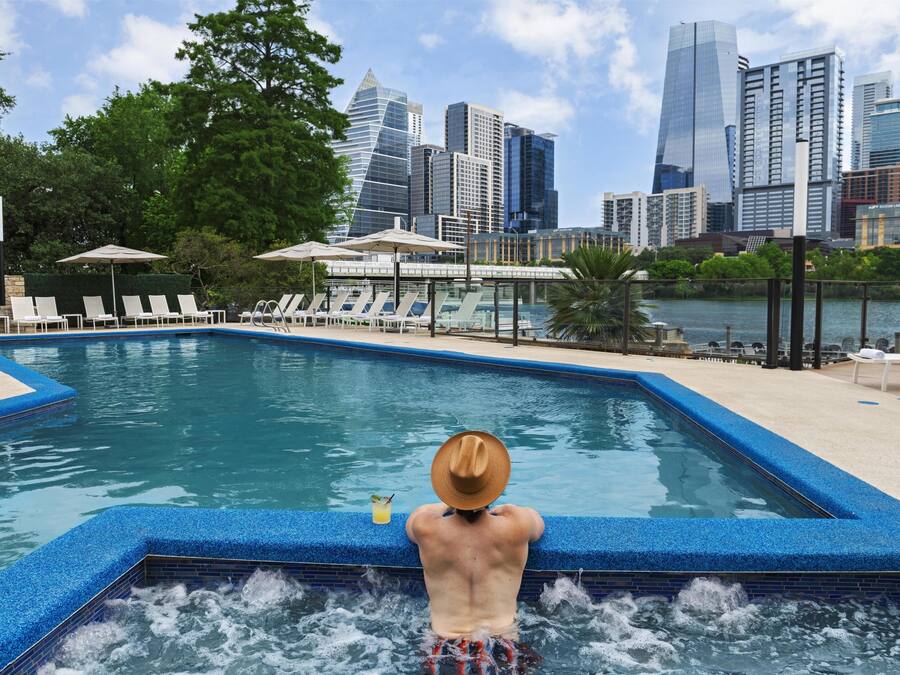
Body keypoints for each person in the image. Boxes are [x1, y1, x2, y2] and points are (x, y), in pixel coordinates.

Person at [406, 431, 544, 674]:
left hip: (442, 649)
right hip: (502, 646)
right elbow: (538, 522)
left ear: (449, 488)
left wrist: (450, 501)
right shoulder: (518, 525)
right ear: (493, 486)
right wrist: (504, 507)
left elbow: (417, 515)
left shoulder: (426, 528)